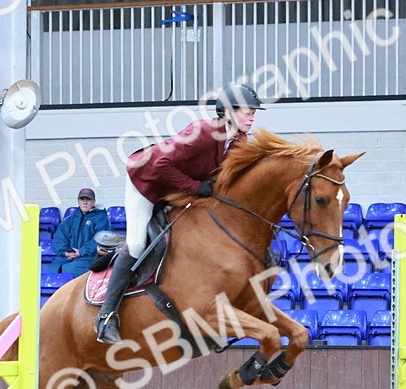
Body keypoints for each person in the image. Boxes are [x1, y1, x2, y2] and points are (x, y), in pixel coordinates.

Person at [94, 82, 264, 344]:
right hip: (147, 181)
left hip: (176, 189)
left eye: (254, 113)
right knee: (137, 243)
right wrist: (195, 187)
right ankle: (106, 317)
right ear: (229, 112)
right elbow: (161, 165)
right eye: (247, 112)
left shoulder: (240, 141)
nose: (252, 117)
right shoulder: (204, 132)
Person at [51, 188, 112, 277]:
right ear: (78, 201)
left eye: (88, 199)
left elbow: (101, 239)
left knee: (72, 269)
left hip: (89, 258)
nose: (85, 202)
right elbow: (59, 239)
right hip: (68, 257)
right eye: (82, 199)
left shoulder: (102, 219)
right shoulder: (70, 220)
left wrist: (81, 251)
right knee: (52, 268)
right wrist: (65, 252)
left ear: (94, 202)